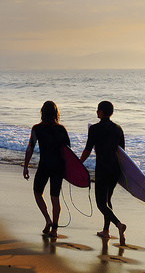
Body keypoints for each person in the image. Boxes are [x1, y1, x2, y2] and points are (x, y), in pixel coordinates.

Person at [79, 101, 126, 244]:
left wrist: (78, 163)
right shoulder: (118, 129)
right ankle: (106, 231)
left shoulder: (94, 129)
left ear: (101, 112)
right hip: (115, 168)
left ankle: (119, 224)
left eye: (97, 110)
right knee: (108, 200)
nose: (96, 112)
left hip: (103, 168)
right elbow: (123, 153)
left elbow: (87, 150)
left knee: (101, 203)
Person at [22, 100, 70, 239]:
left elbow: (30, 148)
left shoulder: (37, 128)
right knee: (55, 198)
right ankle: (54, 230)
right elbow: (68, 152)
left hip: (44, 165)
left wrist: (26, 166)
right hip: (58, 167)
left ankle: (48, 219)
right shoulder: (62, 129)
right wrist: (69, 172)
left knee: (37, 193)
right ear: (56, 113)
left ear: (42, 112)